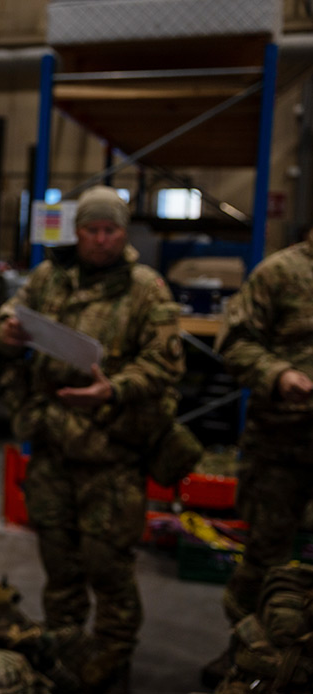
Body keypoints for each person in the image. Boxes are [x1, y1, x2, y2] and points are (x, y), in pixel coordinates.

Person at [0, 186, 185, 694]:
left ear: (124, 232)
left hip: (111, 455)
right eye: (91, 230)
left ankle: (113, 664)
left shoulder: (146, 289)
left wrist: (113, 389)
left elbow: (166, 363)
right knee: (59, 565)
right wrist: (7, 331)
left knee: (109, 567)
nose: (100, 240)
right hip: (52, 448)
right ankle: (65, 653)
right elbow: (9, 315)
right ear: (76, 233)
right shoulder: (49, 278)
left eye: (110, 230)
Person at [202, 229, 313, 686]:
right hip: (280, 446)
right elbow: (234, 342)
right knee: (264, 559)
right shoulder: (280, 273)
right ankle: (247, 657)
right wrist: (279, 374)